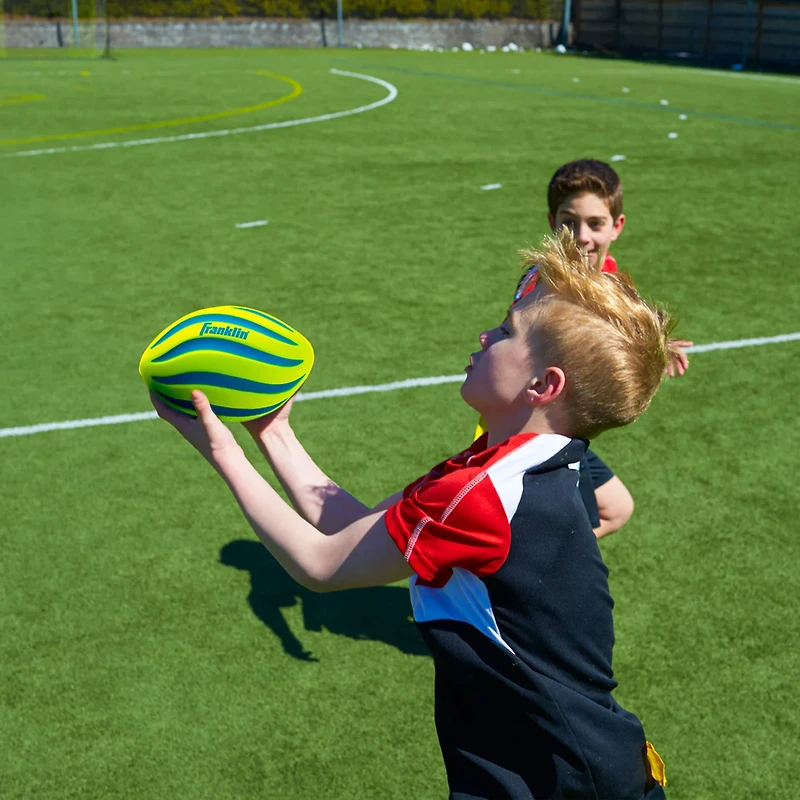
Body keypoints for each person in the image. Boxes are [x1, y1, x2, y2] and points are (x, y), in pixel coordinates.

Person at [149, 230, 669, 799]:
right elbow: (349, 532)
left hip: (561, 781)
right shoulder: (504, 468)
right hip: (568, 766)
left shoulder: (483, 492)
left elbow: (321, 564)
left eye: (505, 332)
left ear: (543, 385)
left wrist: (220, 451)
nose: (484, 335)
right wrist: (273, 433)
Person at [478, 159, 692, 538]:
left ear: (616, 226)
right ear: (552, 222)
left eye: (595, 223)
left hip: (567, 427)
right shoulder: (547, 286)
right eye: (569, 222)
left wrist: (655, 345)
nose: (582, 236)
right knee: (565, 534)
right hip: (536, 430)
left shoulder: (603, 275)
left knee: (617, 508)